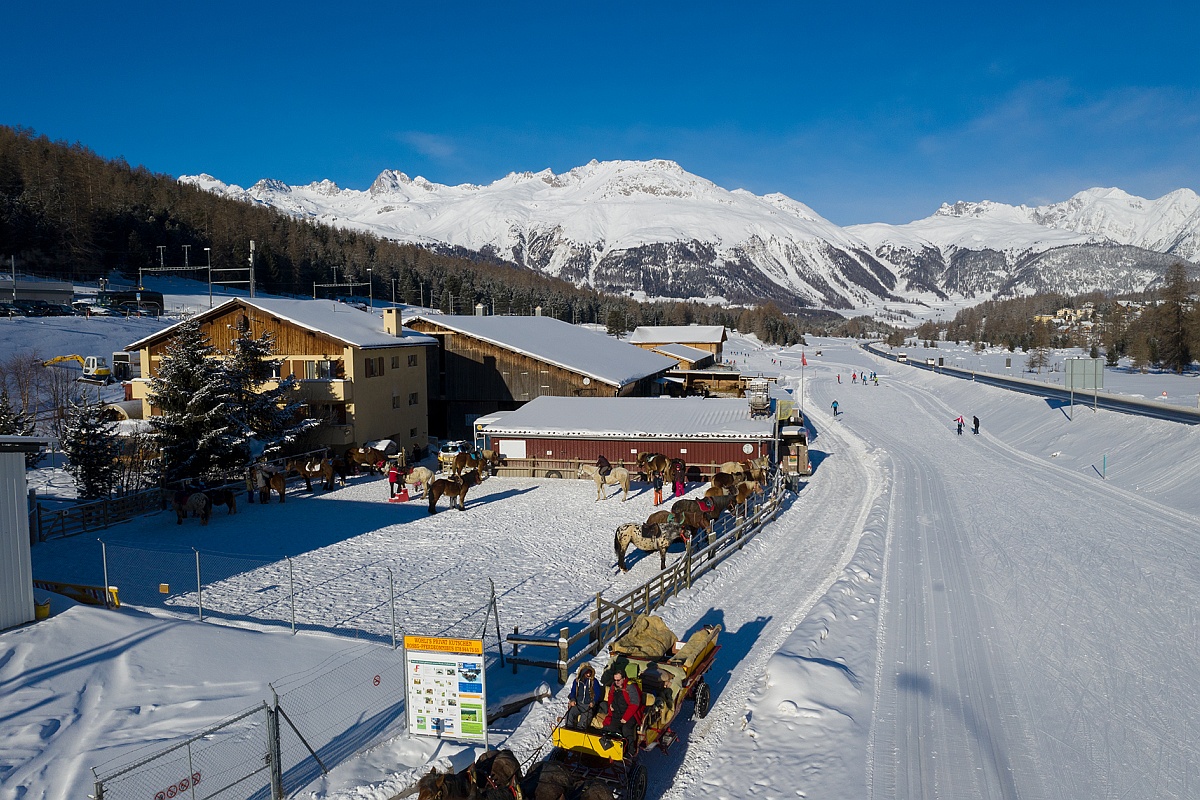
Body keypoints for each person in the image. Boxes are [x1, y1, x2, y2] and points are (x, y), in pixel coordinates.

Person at [601, 671, 643, 744]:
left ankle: (630, 748)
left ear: (623, 678)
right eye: (615, 680)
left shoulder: (631, 687)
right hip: (617, 712)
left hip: (630, 714)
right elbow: (610, 696)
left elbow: (635, 704)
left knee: (626, 729)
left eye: (618, 680)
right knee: (609, 728)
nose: (616, 682)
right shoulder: (613, 686)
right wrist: (610, 705)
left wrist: (625, 718)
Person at [565, 664, 603, 730]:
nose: (588, 674)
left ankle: (580, 731)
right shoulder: (577, 682)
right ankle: (568, 729)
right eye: (587, 672)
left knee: (583, 720)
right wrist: (573, 699)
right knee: (569, 714)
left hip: (588, 706)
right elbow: (573, 692)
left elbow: (597, 693)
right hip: (578, 704)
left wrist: (593, 702)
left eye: (590, 672)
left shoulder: (594, 682)